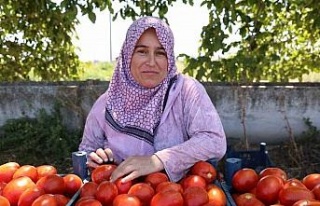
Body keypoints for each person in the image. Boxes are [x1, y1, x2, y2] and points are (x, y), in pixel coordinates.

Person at [79, 16, 227, 183]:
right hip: (122, 197)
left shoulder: (186, 91)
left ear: (169, 59)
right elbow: (85, 153)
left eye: (160, 53)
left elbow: (214, 141)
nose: (151, 62)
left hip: (179, 196)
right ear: (128, 55)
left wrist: (157, 161)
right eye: (142, 51)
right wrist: (96, 161)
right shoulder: (106, 104)